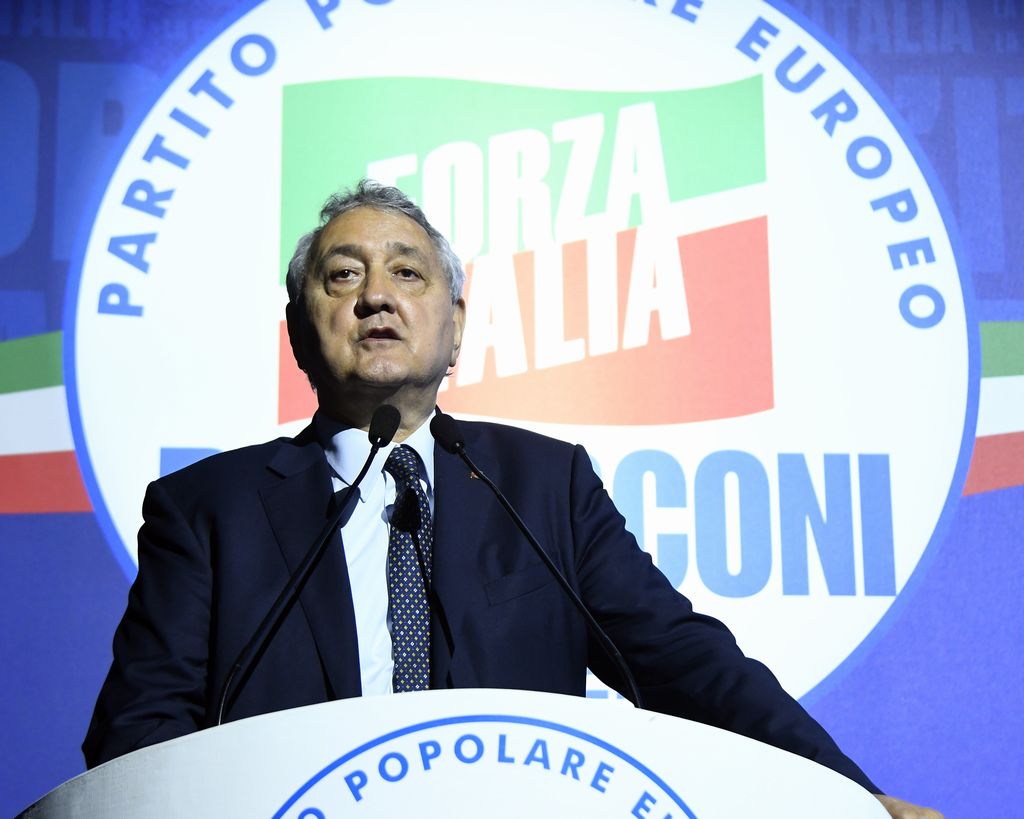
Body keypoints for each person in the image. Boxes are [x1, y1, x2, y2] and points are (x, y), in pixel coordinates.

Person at [84, 180, 941, 819]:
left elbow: (685, 666)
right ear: (299, 332)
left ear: (455, 323)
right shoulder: (208, 510)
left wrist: (853, 797)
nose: (376, 294)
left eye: (407, 272)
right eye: (342, 276)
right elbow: (139, 738)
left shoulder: (544, 486)